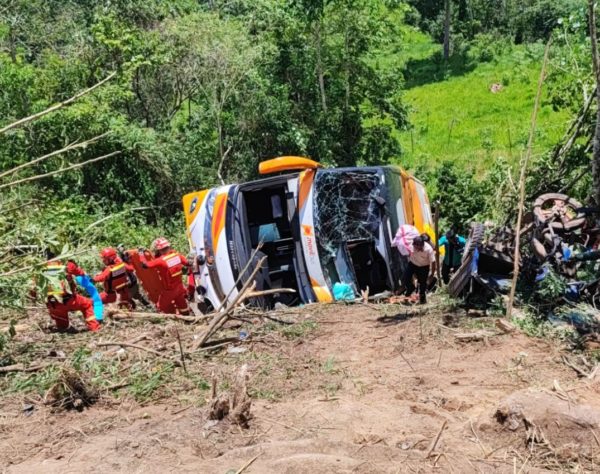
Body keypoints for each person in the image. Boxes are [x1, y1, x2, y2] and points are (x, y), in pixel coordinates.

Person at [41, 260, 100, 332]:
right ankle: (94, 328)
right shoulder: (66, 268)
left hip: (53, 305)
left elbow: (33, 289)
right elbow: (79, 272)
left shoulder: (41, 273)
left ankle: (63, 328)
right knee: (87, 304)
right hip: (69, 301)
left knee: (61, 320)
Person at [139, 237, 190, 315]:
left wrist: (141, 254)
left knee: (161, 307)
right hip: (179, 288)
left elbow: (144, 265)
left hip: (169, 291)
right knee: (182, 305)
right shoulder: (177, 255)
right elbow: (187, 263)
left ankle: (168, 320)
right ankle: (187, 318)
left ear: (159, 250)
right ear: (169, 247)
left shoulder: (160, 261)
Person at [403, 236, 436, 304]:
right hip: (412, 264)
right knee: (406, 278)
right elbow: (408, 253)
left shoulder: (428, 249)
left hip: (423, 267)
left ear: (421, 245)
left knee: (422, 284)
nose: (415, 248)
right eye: (414, 246)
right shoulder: (412, 246)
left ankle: (422, 299)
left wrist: (432, 274)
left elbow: (433, 262)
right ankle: (410, 289)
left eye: (417, 246)